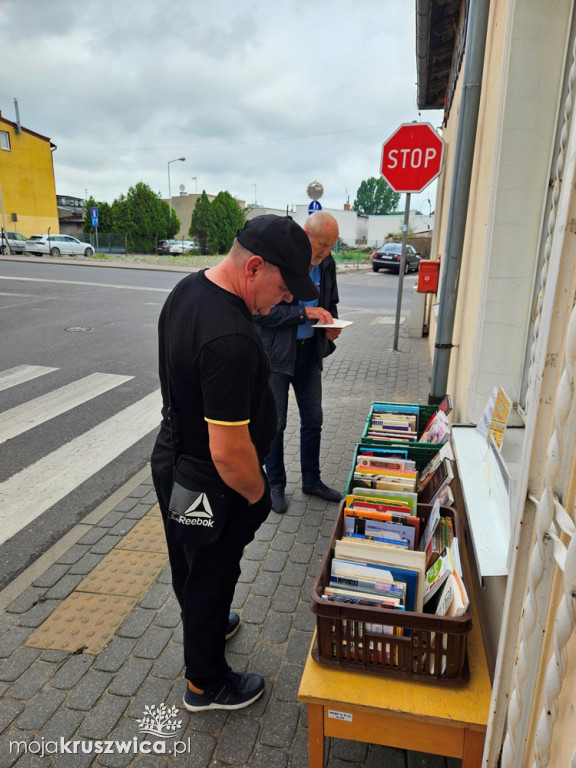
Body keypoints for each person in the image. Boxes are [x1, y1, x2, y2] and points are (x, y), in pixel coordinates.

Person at [150, 214, 316, 712]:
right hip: (211, 479)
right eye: (284, 286)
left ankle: (210, 623)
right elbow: (228, 450)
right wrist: (257, 495)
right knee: (213, 572)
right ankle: (206, 684)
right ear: (255, 267)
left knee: (192, 562)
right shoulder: (230, 340)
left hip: (177, 458)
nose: (287, 298)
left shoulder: (189, 288)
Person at [254, 210, 342, 514]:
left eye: (331, 246)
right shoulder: (279, 259)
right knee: (275, 424)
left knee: (313, 420)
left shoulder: (327, 263)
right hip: (277, 354)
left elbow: (330, 304)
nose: (326, 252)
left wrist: (332, 328)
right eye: (323, 245)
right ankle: (275, 484)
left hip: (309, 352)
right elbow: (262, 314)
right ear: (307, 235)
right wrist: (305, 314)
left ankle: (312, 480)